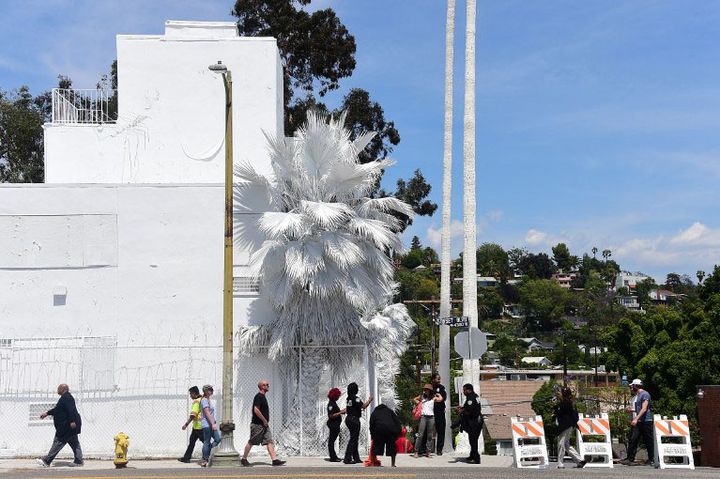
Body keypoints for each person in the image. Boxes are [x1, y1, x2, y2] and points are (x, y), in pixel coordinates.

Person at [36, 384, 83, 467]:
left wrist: (72, 421)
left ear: (63, 389)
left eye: (58, 388)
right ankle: (79, 461)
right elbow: (57, 410)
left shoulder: (67, 398)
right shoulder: (65, 398)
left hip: (67, 426)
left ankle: (47, 461)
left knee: (58, 442)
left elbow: (71, 409)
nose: (57, 390)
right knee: (74, 443)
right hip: (68, 426)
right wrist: (47, 413)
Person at [241, 380, 286, 467]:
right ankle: (244, 459)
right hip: (258, 425)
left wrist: (265, 422)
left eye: (268, 384)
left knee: (269, 441)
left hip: (264, 425)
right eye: (266, 385)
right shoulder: (259, 397)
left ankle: (274, 460)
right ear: (261, 386)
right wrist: (264, 420)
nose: (268, 386)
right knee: (252, 441)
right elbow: (256, 410)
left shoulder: (263, 396)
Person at [621, 379, 655, 466]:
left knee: (648, 441)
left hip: (646, 421)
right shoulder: (638, 396)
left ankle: (652, 459)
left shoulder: (645, 394)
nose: (631, 387)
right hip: (639, 421)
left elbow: (644, 408)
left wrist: (636, 418)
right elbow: (638, 409)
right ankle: (630, 459)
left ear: (636, 386)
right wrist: (631, 410)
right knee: (633, 439)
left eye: (632, 386)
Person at [553, 387, 586, 469]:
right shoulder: (570, 402)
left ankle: (560, 463)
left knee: (561, 444)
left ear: (563, 394)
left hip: (565, 426)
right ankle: (580, 460)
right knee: (566, 445)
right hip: (570, 425)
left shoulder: (565, 403)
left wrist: (555, 406)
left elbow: (559, 413)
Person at [343, 382, 373, 464]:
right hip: (354, 420)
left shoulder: (348, 398)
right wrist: (370, 400)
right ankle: (347, 458)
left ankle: (356, 457)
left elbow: (349, 408)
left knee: (354, 438)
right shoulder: (356, 398)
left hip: (348, 419)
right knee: (353, 439)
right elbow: (363, 406)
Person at [413, 383, 442, 457]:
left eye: (426, 390)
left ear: (430, 391)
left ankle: (428, 452)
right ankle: (416, 451)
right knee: (420, 435)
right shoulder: (422, 397)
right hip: (423, 417)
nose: (425, 391)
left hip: (431, 417)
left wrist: (437, 394)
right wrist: (418, 402)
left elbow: (441, 399)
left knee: (430, 435)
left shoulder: (433, 397)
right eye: (424, 389)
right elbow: (414, 399)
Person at [457, 383, 482, 464]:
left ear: (469, 390)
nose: (464, 392)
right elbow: (468, 407)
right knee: (472, 439)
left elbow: (469, 411)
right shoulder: (474, 396)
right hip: (476, 420)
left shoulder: (471, 398)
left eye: (465, 390)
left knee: (473, 440)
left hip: (475, 422)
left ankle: (476, 458)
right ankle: (472, 455)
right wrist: (463, 408)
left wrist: (462, 411)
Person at [179, 386, 203, 463]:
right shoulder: (202, 399)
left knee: (205, 442)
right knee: (192, 442)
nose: (190, 396)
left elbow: (193, 415)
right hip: (198, 426)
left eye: (190, 394)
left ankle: (211, 455)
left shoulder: (196, 401)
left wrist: (186, 424)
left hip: (199, 427)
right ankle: (186, 458)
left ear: (194, 393)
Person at [199, 385, 220, 467]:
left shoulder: (208, 400)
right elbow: (207, 413)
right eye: (210, 390)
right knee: (207, 441)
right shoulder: (204, 400)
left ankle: (207, 454)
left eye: (212, 389)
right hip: (207, 424)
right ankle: (205, 459)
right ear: (206, 391)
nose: (212, 391)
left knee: (217, 439)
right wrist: (213, 424)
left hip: (210, 423)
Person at [431, 373, 448, 455]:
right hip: (430, 412)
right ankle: (426, 449)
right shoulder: (429, 387)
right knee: (428, 431)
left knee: (441, 431)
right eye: (437, 379)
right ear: (433, 379)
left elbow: (444, 398)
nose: (439, 380)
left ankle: (439, 450)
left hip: (440, 412)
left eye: (439, 379)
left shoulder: (441, 388)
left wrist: (439, 398)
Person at [326, 387, 345, 462]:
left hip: (336, 424)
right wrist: (341, 412)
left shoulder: (333, 403)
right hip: (333, 424)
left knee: (332, 440)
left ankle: (334, 456)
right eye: (337, 396)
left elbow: (335, 412)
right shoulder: (331, 404)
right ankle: (333, 457)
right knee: (331, 441)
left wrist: (341, 411)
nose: (338, 397)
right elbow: (331, 415)